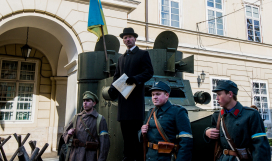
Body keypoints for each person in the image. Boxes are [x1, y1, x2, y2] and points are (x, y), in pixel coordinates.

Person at [108, 27, 154, 161]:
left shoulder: (143, 54)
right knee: (126, 136)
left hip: (135, 103)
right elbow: (116, 77)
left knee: (137, 137)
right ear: (123, 41)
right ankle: (127, 157)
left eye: (129, 37)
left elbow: (149, 72)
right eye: (125, 37)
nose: (127, 39)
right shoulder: (121, 59)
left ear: (135, 38)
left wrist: (136, 79)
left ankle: (138, 158)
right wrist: (112, 89)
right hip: (123, 104)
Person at [204, 80, 271, 161]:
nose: (216, 98)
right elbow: (216, 139)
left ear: (230, 94)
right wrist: (207, 132)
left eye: (219, 94)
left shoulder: (251, 114)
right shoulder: (217, 116)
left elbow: (260, 145)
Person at [139, 81, 193, 161]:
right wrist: (141, 132)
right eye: (153, 95)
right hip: (150, 157)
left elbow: (186, 141)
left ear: (167, 95)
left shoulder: (178, 111)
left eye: (158, 94)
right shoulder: (151, 112)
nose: (154, 97)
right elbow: (142, 138)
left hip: (167, 158)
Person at [63, 91, 110, 161]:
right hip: (75, 155)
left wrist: (101, 159)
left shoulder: (100, 119)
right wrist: (68, 134)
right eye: (84, 101)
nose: (85, 103)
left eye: (88, 101)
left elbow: (104, 144)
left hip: (90, 156)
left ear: (94, 103)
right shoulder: (76, 118)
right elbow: (65, 134)